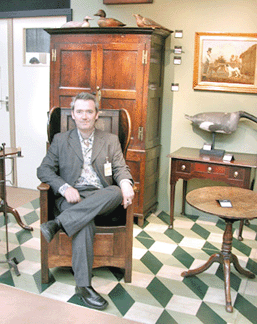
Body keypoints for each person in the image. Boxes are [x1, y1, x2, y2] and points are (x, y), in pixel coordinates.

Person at [37, 92, 134, 310]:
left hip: (101, 197)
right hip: (71, 198)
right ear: (72, 115)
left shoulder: (110, 140)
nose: (84, 116)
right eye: (79, 111)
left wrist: (126, 182)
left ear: (96, 115)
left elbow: (120, 168)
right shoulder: (61, 140)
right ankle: (83, 287)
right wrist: (64, 187)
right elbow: (43, 169)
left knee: (117, 192)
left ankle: (58, 223)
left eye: (89, 111)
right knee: (84, 221)